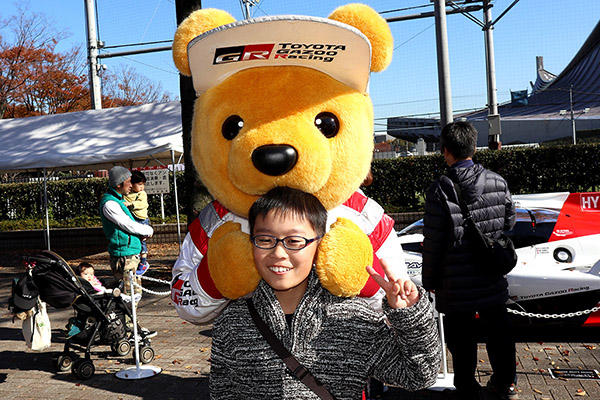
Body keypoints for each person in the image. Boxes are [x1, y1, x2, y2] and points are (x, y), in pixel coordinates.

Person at [209, 187, 441, 399]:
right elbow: (223, 393)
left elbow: (420, 375)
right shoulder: (232, 323)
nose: (279, 252)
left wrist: (410, 318)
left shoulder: (354, 319)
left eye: (294, 241)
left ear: (320, 245)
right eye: (265, 240)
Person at [421, 121, 517, 400]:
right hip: (491, 272)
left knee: (461, 336)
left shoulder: (440, 189)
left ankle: (467, 386)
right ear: (474, 147)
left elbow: (434, 240)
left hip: (456, 279)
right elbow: (509, 221)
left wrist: (430, 280)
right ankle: (504, 383)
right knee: (499, 329)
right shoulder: (498, 180)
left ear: (445, 151)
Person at [100, 166, 156, 338]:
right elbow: (126, 224)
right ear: (118, 184)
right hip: (124, 255)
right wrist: (146, 230)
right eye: (128, 182)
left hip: (129, 253)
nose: (131, 185)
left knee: (131, 294)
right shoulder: (110, 203)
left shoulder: (116, 200)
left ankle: (131, 328)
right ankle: (129, 331)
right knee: (129, 295)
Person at [124, 170, 151, 276]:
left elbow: (142, 204)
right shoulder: (127, 194)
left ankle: (144, 263)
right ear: (132, 184)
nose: (142, 187)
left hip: (142, 220)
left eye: (143, 184)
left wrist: (130, 204)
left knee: (142, 241)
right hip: (133, 220)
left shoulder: (142, 194)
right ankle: (137, 261)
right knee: (135, 241)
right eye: (139, 184)